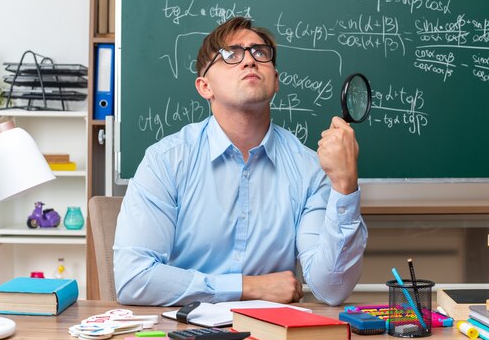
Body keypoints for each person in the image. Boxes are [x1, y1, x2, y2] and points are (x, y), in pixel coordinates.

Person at [114, 17, 367, 307]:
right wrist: (246, 287)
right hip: (184, 338)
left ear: (276, 82)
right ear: (204, 86)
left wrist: (345, 186)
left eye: (260, 53)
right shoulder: (165, 161)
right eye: (231, 54)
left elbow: (331, 289)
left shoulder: (310, 169)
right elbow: (133, 279)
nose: (249, 61)